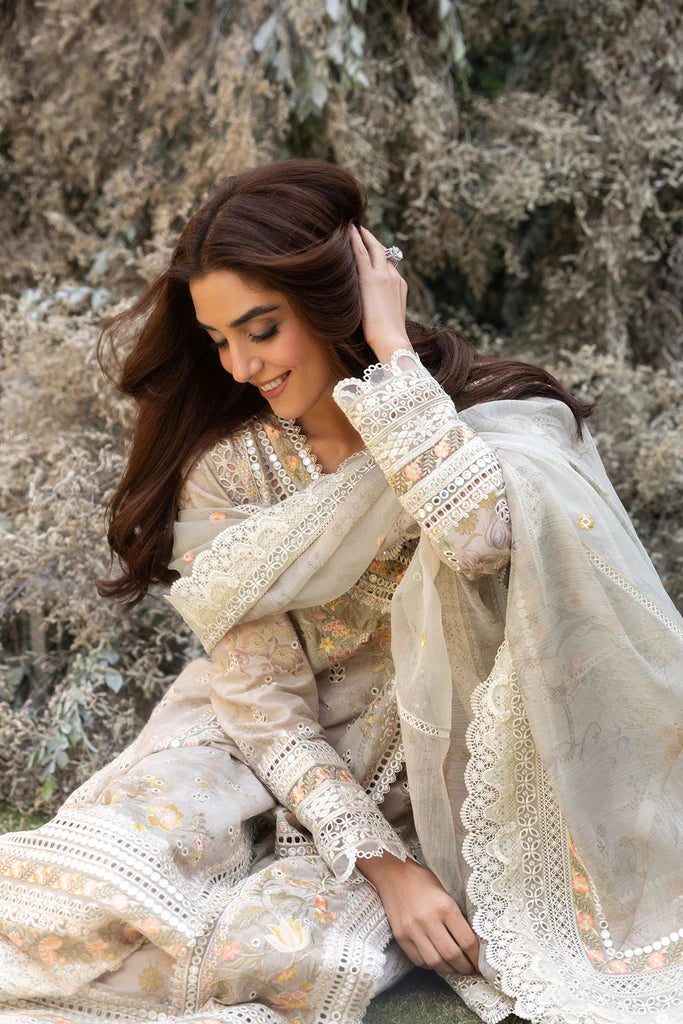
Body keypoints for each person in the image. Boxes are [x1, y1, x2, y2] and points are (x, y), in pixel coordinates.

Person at [0, 158, 680, 1024]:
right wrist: (381, 868)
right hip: (251, 752)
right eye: (218, 340)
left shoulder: (495, 419)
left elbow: (478, 537)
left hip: (436, 787)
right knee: (94, 886)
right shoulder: (229, 471)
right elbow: (261, 702)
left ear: (334, 302)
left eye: (261, 329)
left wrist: (390, 348)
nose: (240, 365)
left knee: (282, 954)